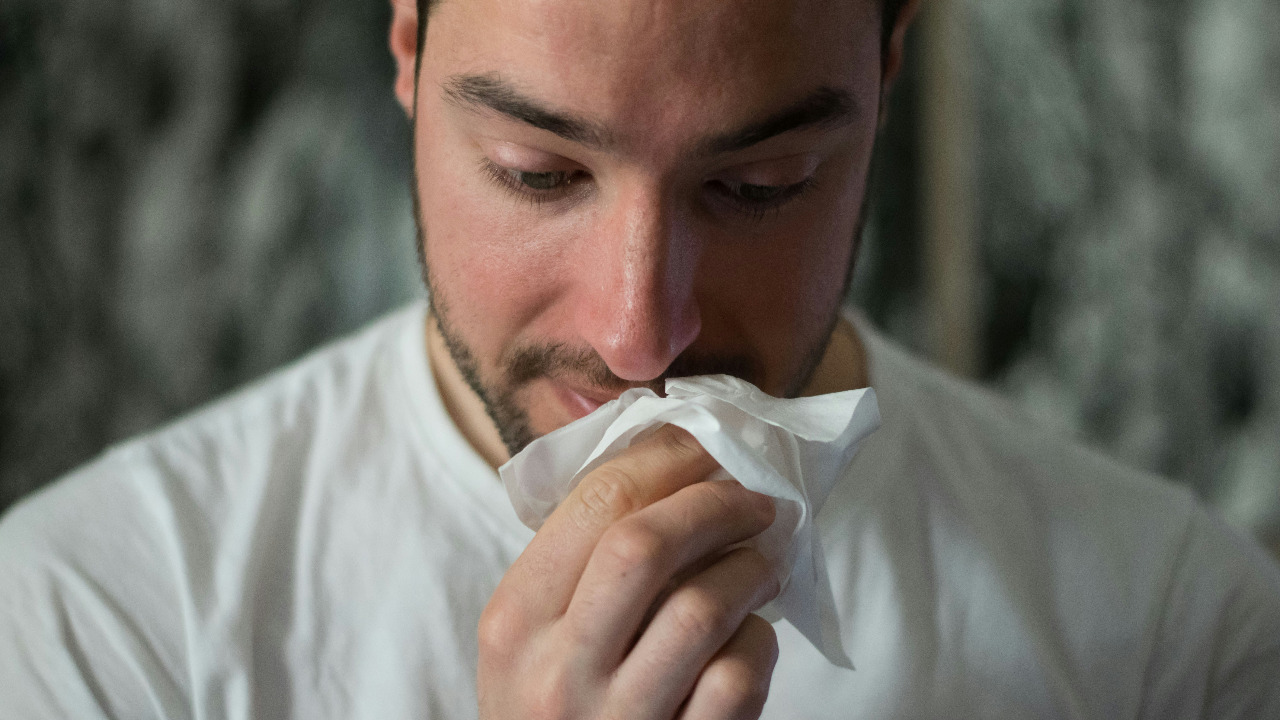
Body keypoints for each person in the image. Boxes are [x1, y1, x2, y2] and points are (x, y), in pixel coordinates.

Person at [2, 0, 1278, 717]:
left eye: (759, 184)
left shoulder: (1172, 635)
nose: (638, 334)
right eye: (538, 174)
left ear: (884, 77)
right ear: (406, 50)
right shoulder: (97, 630)